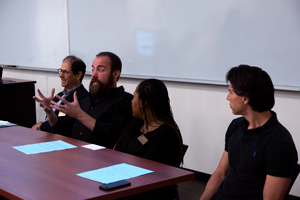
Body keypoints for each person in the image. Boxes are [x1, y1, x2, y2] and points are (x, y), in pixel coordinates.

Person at [200, 65, 298, 200]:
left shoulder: (280, 144)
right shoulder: (236, 126)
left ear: (245, 99)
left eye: (231, 92)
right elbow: (221, 173)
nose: (227, 97)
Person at [34, 52, 133, 148]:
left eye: (100, 70)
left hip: (101, 159)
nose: (93, 75)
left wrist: (79, 115)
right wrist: (50, 113)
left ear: (115, 74)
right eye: (93, 69)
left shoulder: (125, 100)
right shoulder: (86, 100)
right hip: (74, 154)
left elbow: (114, 134)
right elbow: (65, 130)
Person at [114, 79, 183, 199]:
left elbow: (146, 173)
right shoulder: (136, 124)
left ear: (144, 102)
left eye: (134, 97)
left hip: (146, 192)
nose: (132, 101)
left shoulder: (165, 135)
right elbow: (116, 148)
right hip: (123, 181)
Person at [32, 55, 89, 132]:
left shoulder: (83, 98)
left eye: (65, 72)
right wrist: (48, 111)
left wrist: (41, 125)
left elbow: (65, 128)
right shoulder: (59, 95)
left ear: (78, 75)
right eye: (60, 71)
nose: (60, 75)